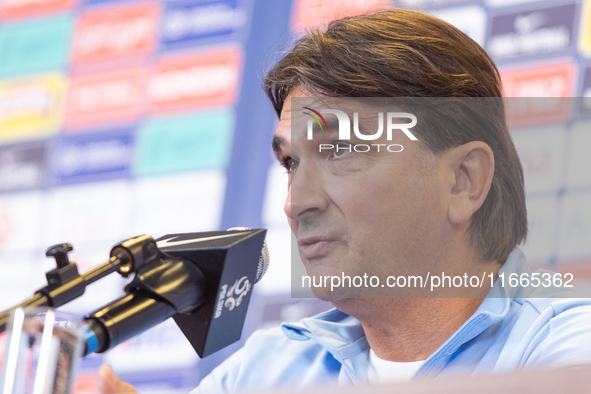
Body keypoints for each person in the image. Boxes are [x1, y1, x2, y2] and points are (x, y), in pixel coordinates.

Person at [98, 8, 591, 394]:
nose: (297, 203)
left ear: (464, 180)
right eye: (291, 164)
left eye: (341, 151)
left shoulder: (570, 347)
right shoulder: (266, 368)